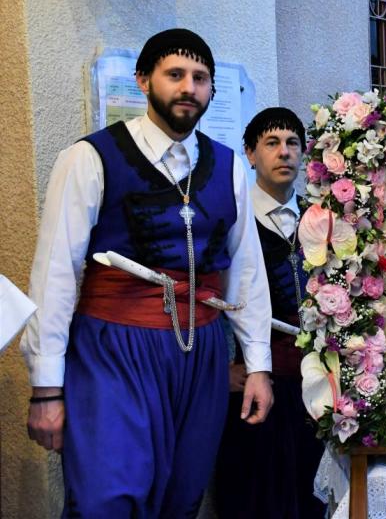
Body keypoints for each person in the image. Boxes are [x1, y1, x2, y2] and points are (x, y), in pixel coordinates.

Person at [22, 28, 273, 517]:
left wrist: (258, 365)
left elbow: (247, 272)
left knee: (182, 497)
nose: (188, 87)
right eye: (174, 74)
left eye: (200, 77)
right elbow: (54, 274)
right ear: (143, 80)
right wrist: (46, 388)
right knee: (107, 498)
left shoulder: (228, 167)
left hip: (201, 352)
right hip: (114, 348)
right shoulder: (89, 158)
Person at [215, 107, 326, 518]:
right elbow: (207, 301)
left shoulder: (321, 220)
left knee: (312, 496)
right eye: (272, 143)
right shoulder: (231, 220)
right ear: (250, 153)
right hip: (255, 385)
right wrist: (219, 370)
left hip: (315, 389)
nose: (284, 153)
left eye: (292, 143)